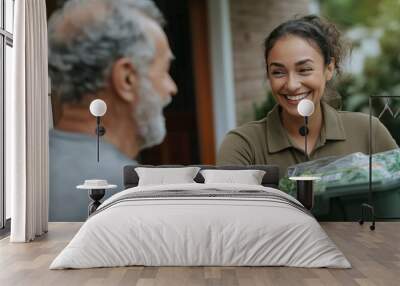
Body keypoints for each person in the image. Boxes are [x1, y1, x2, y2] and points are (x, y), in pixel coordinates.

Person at [217, 15, 398, 178]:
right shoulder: (243, 145)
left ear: (329, 69)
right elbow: (231, 213)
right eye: (278, 72)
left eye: (304, 70)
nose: (292, 85)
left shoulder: (368, 131)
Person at [48, 0, 177, 221]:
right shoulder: (132, 195)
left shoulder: (22, 169)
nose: (172, 88)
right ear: (126, 78)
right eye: (164, 71)